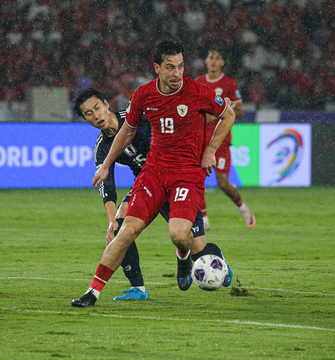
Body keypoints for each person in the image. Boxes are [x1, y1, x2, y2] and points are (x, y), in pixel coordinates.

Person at [72, 38, 236, 307]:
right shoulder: (143, 96)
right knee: (122, 232)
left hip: (186, 174)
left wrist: (210, 151)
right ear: (157, 68)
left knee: (184, 239)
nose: (177, 73)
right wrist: (104, 167)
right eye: (170, 67)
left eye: (181, 66)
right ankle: (93, 292)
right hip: (153, 175)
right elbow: (127, 133)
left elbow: (225, 114)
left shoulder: (196, 91)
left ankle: (184, 259)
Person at [195, 48, 256, 230]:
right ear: (205, 61)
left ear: (222, 63)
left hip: (221, 139)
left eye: (217, 58)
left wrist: (222, 111)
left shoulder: (229, 83)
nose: (213, 61)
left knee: (222, 182)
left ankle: (242, 206)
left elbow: (240, 111)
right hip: (201, 138)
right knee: (197, 180)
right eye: (210, 57)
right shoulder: (198, 83)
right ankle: (203, 218)